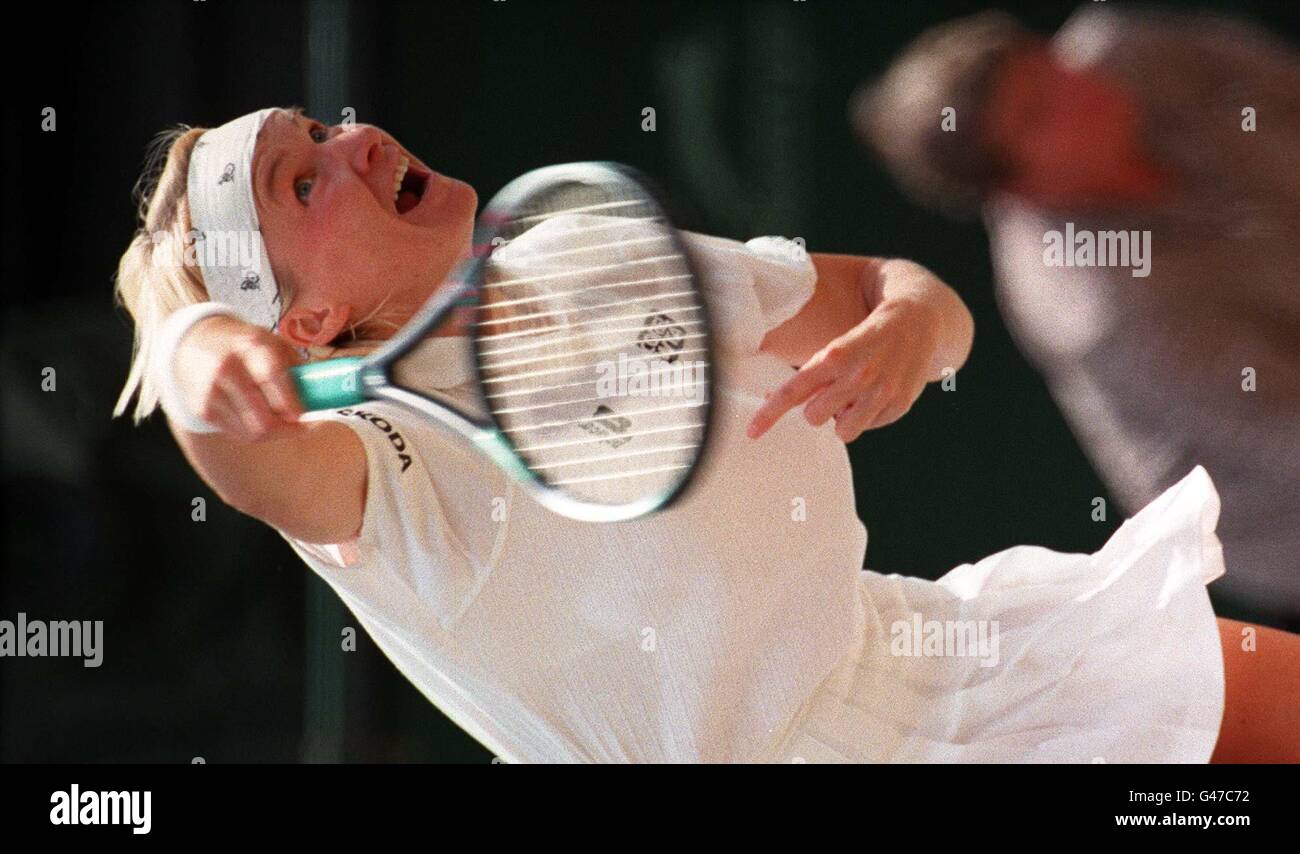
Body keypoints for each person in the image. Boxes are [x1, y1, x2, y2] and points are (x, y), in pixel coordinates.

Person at [114, 107, 1295, 762]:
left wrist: (907, 334)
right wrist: (190, 350)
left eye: (321, 129)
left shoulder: (587, 252)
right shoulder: (364, 472)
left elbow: (904, 288)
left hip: (944, 648)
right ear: (304, 321)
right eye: (301, 182)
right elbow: (241, 449)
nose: (352, 141)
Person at [857, 6, 1300, 625]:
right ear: (1015, 191)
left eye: (1047, 65)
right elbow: (1286, 434)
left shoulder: (1124, 43)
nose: (1079, 92)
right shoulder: (1103, 313)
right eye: (1039, 116)